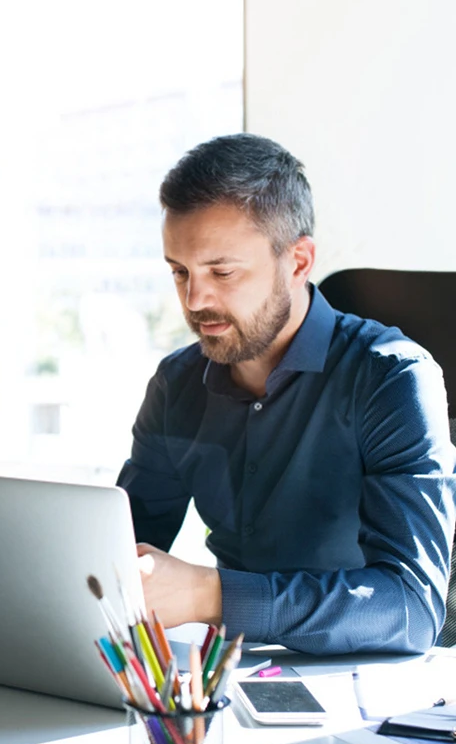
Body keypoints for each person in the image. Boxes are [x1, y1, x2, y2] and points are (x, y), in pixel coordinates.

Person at [117, 133, 456, 655]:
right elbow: (119, 550)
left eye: (221, 272)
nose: (194, 299)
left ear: (298, 262)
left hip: (364, 687)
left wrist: (212, 594)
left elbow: (411, 609)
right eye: (179, 272)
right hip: (230, 673)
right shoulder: (175, 384)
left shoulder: (393, 379)